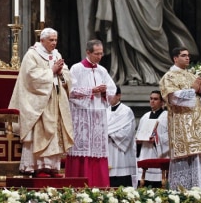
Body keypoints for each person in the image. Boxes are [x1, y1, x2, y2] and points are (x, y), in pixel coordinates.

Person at [8, 28, 74, 177]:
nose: (54, 43)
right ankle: (38, 167)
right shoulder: (32, 54)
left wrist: (60, 72)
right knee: (41, 133)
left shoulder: (57, 54)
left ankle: (52, 167)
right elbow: (30, 77)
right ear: (42, 40)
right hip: (38, 101)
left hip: (55, 99)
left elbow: (67, 74)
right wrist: (51, 71)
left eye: (55, 40)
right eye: (51, 40)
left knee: (54, 134)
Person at [160, 47, 201, 190]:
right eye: (183, 55)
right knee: (183, 158)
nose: (187, 58)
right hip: (180, 122)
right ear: (175, 58)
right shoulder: (169, 77)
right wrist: (192, 90)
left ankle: (200, 191)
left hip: (196, 123)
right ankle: (181, 192)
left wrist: (200, 90)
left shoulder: (192, 76)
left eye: (188, 56)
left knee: (198, 156)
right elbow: (173, 97)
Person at [66, 39, 116, 187]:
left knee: (97, 151)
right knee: (82, 151)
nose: (100, 57)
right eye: (96, 54)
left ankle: (99, 185)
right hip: (82, 117)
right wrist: (91, 91)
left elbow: (113, 91)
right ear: (88, 52)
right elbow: (70, 92)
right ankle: (78, 186)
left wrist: (105, 91)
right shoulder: (76, 69)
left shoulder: (102, 70)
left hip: (98, 117)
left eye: (101, 54)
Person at [136, 90, 169, 188]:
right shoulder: (145, 117)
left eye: (155, 99)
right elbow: (138, 133)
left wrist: (157, 139)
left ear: (162, 102)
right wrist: (138, 141)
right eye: (151, 99)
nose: (152, 101)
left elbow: (171, 136)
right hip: (145, 152)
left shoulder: (167, 116)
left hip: (158, 154)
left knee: (157, 185)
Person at [107, 86, 137, 187]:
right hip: (107, 150)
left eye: (112, 94)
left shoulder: (126, 111)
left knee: (121, 182)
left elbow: (127, 133)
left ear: (119, 96)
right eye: (108, 94)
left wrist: (109, 134)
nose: (109, 97)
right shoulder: (104, 110)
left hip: (120, 152)